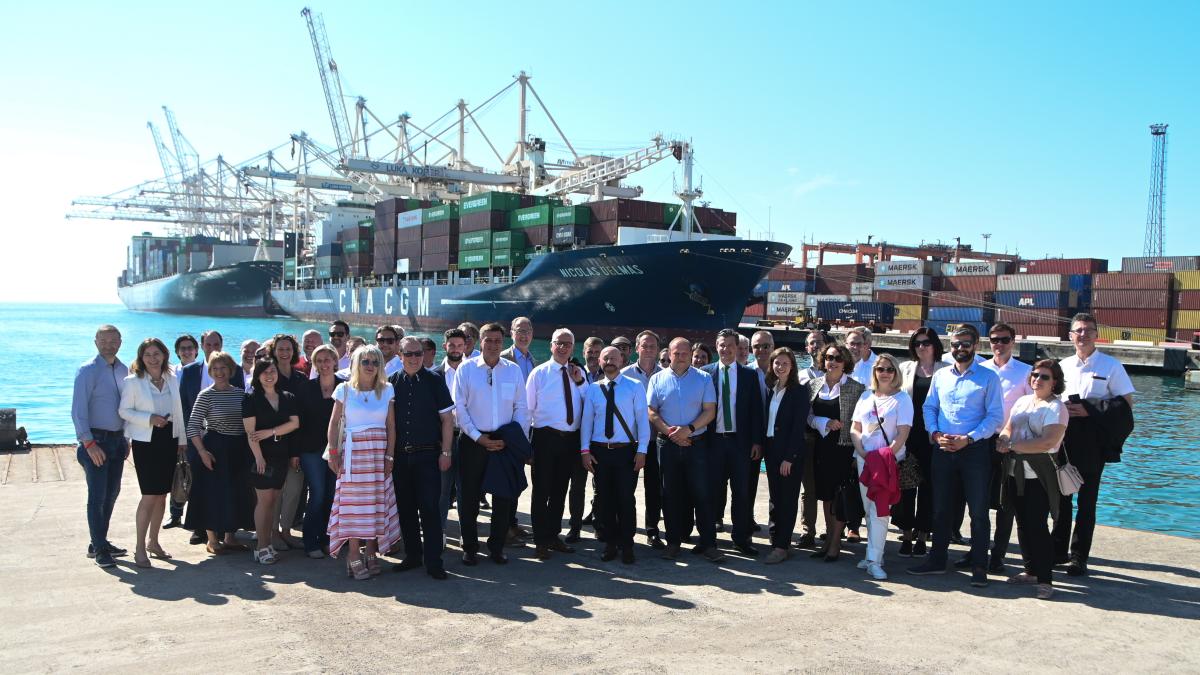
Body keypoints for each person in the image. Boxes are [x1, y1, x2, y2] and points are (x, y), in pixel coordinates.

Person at [909, 325, 1004, 587]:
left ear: (975, 346)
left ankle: (979, 566)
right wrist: (934, 433)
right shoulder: (941, 376)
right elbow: (930, 407)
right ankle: (937, 559)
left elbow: (995, 415)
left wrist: (969, 438)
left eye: (965, 344)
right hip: (942, 448)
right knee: (940, 508)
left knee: (978, 511)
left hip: (974, 450)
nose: (959, 349)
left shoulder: (988, 378)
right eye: (955, 344)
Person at [1052, 312, 1135, 577]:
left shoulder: (1111, 366)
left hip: (1092, 442)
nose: (1083, 335)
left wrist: (1089, 408)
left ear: (1096, 334)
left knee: (1086, 504)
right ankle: (1057, 552)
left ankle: (1079, 557)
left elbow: (1126, 407)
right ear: (1070, 336)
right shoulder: (1061, 366)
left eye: (1088, 330)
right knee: (1061, 501)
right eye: (1078, 330)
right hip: (1063, 440)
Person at [453, 322, 530, 565]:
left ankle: (497, 547)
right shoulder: (465, 370)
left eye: (498, 340)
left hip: (503, 442)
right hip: (473, 441)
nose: (494, 344)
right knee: (469, 498)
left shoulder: (513, 371)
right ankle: (470, 547)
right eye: (489, 340)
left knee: (503, 498)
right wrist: (478, 437)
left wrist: (513, 437)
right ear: (480, 341)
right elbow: (460, 408)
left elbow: (522, 408)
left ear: (503, 342)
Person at [326, 345, 400, 580]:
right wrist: (334, 452)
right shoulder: (344, 389)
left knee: (375, 504)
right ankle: (353, 553)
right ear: (356, 364)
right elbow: (334, 424)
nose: (370, 366)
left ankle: (371, 550)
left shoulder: (387, 389)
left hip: (378, 454)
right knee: (353, 506)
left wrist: (390, 455)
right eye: (365, 361)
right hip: (353, 454)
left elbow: (391, 427)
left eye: (375, 362)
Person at [998, 359, 1067, 599]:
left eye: (1044, 376)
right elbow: (1008, 427)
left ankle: (1046, 579)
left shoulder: (1056, 408)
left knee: (1037, 526)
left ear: (1055, 382)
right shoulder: (1022, 402)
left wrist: (1014, 445)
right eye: (1035, 375)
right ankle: (1031, 571)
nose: (1037, 379)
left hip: (1039, 475)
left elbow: (1048, 442)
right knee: (1022, 523)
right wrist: (1004, 439)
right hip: (1015, 472)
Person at [648, 337, 721, 562]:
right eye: (676, 353)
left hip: (696, 444)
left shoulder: (704, 379)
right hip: (667, 444)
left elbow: (710, 411)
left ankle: (708, 543)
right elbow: (651, 411)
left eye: (684, 353)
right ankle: (673, 543)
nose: (680, 357)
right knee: (670, 495)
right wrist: (672, 433)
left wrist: (688, 430)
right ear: (669, 354)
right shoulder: (657, 379)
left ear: (691, 354)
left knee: (702, 494)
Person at [389, 336, 455, 580]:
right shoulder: (391, 382)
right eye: (409, 354)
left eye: (418, 353)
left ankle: (434, 561)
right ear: (400, 356)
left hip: (428, 455)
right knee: (405, 509)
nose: (415, 358)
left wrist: (446, 452)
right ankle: (413, 556)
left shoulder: (435, 380)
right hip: (401, 457)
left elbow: (447, 420)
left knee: (429, 509)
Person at [119, 338, 187, 568]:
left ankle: (154, 542)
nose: (152, 358)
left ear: (164, 355)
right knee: (149, 494)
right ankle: (139, 548)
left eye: (156, 353)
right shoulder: (133, 382)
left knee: (162, 495)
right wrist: (149, 419)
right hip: (146, 441)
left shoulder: (172, 378)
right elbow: (124, 411)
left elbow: (178, 410)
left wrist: (183, 440)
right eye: (147, 354)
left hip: (169, 438)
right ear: (141, 357)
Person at [581, 346, 650, 564]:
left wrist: (642, 451)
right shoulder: (593, 389)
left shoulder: (635, 386)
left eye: (614, 357)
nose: (610, 361)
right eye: (605, 358)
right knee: (605, 500)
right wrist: (585, 451)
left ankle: (627, 544)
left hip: (626, 451)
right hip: (600, 451)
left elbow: (642, 421)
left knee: (626, 499)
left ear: (622, 360)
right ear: (599, 361)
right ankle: (610, 543)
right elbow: (586, 422)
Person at [172, 330, 244, 535]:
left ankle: (228, 534)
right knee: (205, 489)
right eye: (208, 344)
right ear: (201, 346)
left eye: (216, 344)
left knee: (231, 491)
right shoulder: (193, 377)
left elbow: (243, 417)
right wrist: (193, 445)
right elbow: (186, 412)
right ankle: (204, 532)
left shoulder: (238, 384)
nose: (220, 372)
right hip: (207, 444)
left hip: (234, 446)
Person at [527, 328, 588, 559]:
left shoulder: (578, 373)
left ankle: (553, 536)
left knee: (560, 490)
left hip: (570, 440)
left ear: (573, 347)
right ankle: (540, 540)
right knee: (541, 491)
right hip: (545, 437)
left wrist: (580, 381)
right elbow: (528, 410)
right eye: (559, 343)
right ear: (551, 345)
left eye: (567, 344)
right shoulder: (539, 373)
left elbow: (588, 400)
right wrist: (527, 444)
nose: (563, 347)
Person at [184, 352, 254, 556]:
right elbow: (192, 427)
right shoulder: (206, 395)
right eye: (215, 369)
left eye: (223, 368)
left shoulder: (241, 394)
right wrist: (202, 452)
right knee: (211, 494)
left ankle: (230, 538)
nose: (219, 372)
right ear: (210, 371)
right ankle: (212, 540)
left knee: (235, 493)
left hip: (238, 448)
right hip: (215, 448)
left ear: (231, 370)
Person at [851, 353, 913, 580]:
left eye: (889, 369)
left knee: (880, 511)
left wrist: (885, 456)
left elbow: (903, 433)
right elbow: (855, 428)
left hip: (886, 462)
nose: (884, 373)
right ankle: (873, 553)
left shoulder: (902, 399)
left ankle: (874, 561)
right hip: (865, 459)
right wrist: (863, 452)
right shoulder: (866, 396)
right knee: (868, 509)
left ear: (896, 373)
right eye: (880, 369)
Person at [702, 328, 764, 556]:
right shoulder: (705, 374)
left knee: (741, 493)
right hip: (713, 442)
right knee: (710, 492)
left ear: (737, 348)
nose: (725, 349)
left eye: (730, 345)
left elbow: (756, 411)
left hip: (740, 443)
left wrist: (757, 441)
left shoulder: (749, 375)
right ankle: (708, 540)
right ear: (716, 346)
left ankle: (741, 539)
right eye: (721, 345)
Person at [72, 325, 130, 568]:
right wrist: (89, 443)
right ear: (95, 342)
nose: (109, 344)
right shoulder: (87, 371)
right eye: (104, 340)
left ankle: (99, 541)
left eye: (113, 340)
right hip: (96, 441)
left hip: (117, 441)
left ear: (120, 342)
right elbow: (78, 411)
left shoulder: (124, 370)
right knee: (97, 496)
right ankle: (99, 549)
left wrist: (126, 438)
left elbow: (126, 406)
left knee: (112, 493)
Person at [978, 323, 1033, 572]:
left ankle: (998, 554)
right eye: (994, 340)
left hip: (1009, 444)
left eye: (1004, 339)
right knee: (978, 499)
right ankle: (976, 550)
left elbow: (1032, 408)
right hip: (981, 441)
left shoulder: (1025, 372)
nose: (999, 344)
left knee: (1005, 504)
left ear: (1013, 341)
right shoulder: (980, 370)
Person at [807, 343, 866, 562]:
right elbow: (807, 416)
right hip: (821, 448)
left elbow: (862, 423)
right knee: (825, 495)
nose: (833, 362)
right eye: (829, 357)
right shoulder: (813, 385)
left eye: (838, 358)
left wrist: (855, 455)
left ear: (846, 363)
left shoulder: (856, 388)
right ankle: (830, 537)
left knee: (839, 497)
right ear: (823, 360)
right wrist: (823, 421)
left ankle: (834, 543)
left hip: (845, 449)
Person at [242, 358, 301, 564]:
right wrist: (259, 458)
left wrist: (271, 432)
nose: (269, 375)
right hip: (261, 455)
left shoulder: (287, 397)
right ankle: (261, 547)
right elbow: (251, 433)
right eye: (264, 372)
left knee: (273, 500)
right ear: (257, 375)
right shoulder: (251, 398)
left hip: (281, 453)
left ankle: (266, 544)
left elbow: (294, 424)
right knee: (264, 502)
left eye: (272, 371)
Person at [896, 327, 948, 557]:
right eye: (917, 343)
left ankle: (923, 536)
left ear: (935, 345)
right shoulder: (905, 368)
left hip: (932, 438)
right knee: (906, 487)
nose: (921, 347)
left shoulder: (946, 370)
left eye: (926, 343)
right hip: (907, 436)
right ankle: (906, 535)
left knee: (929, 490)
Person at [762, 347, 810, 564]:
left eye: (785, 364)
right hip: (771, 449)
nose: (780, 367)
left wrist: (789, 457)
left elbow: (798, 427)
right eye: (777, 363)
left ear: (792, 367)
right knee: (775, 497)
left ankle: (782, 546)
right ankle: (775, 538)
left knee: (787, 498)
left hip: (789, 452)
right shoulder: (770, 388)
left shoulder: (799, 392)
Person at [297, 345, 344, 558]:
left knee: (333, 495)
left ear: (335, 361)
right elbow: (298, 423)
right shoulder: (306, 388)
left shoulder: (344, 387)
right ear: (315, 364)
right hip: (310, 450)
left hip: (337, 449)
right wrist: (294, 453)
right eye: (320, 360)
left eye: (328, 360)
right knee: (317, 494)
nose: (324, 364)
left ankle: (328, 539)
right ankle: (310, 541)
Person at [621, 330, 665, 548]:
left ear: (658, 350)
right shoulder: (624, 375)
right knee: (627, 487)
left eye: (652, 346)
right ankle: (625, 530)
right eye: (644, 345)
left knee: (654, 488)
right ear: (636, 348)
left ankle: (652, 530)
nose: (648, 349)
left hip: (656, 441)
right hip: (632, 441)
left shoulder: (665, 375)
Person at [432, 328, 468, 531]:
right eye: (452, 345)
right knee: (442, 490)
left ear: (465, 347)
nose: (455, 349)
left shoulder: (473, 371)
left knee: (466, 489)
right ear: (445, 346)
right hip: (442, 440)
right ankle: (440, 533)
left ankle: (466, 533)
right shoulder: (434, 375)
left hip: (467, 438)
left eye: (459, 345)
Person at [796, 329, 826, 546]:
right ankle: (808, 531)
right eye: (811, 343)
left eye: (818, 342)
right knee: (809, 487)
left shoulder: (836, 374)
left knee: (832, 485)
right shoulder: (801, 376)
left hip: (830, 437)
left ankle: (836, 531)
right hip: (808, 437)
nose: (815, 346)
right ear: (806, 348)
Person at [501, 316, 538, 381]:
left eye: (528, 331)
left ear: (532, 334)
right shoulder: (501, 358)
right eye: (520, 331)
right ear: (511, 334)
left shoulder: (534, 363)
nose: (524, 335)